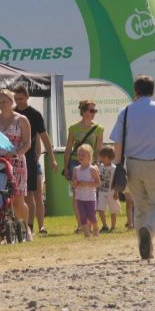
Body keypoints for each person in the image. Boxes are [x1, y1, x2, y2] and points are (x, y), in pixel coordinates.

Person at [110, 75, 155, 260]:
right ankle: (149, 230)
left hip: (133, 163)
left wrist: (118, 164)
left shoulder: (126, 111)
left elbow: (118, 142)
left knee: (140, 207)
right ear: (153, 91)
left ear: (135, 91)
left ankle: (144, 245)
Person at [0, 89, 32, 240]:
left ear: (12, 102)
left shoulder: (21, 120)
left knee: (18, 200)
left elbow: (27, 143)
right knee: (0, 199)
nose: (1, 104)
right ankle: (4, 233)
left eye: (4, 101)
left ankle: (26, 229)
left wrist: (16, 153)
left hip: (16, 163)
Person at [12, 85, 58, 236]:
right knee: (27, 195)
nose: (18, 101)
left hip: (32, 159)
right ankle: (28, 225)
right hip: (17, 159)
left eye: (21, 98)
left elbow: (45, 137)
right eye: (16, 99)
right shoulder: (12, 114)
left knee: (37, 194)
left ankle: (41, 226)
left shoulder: (35, 115)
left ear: (27, 97)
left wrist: (52, 159)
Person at [64, 100, 104, 233]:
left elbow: (98, 149)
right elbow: (68, 148)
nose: (94, 113)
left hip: (91, 164)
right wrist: (66, 167)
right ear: (84, 112)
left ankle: (92, 221)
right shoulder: (74, 128)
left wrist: (97, 164)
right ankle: (81, 224)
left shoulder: (98, 128)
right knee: (77, 193)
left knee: (92, 193)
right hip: (75, 163)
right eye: (91, 110)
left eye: (95, 110)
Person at [72, 144, 101, 238]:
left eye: (83, 155)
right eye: (79, 155)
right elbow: (73, 183)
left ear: (89, 156)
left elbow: (98, 183)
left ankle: (96, 230)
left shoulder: (92, 169)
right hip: (79, 197)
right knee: (82, 217)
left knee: (92, 216)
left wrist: (87, 184)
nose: (80, 157)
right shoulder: (76, 169)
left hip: (90, 198)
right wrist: (75, 183)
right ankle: (87, 235)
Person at [96, 146, 121, 232]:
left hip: (111, 192)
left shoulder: (114, 168)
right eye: (100, 157)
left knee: (113, 210)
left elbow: (116, 181)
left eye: (102, 157)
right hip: (102, 192)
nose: (101, 158)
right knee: (100, 208)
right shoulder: (99, 167)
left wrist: (116, 192)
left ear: (108, 158)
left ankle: (113, 227)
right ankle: (105, 225)